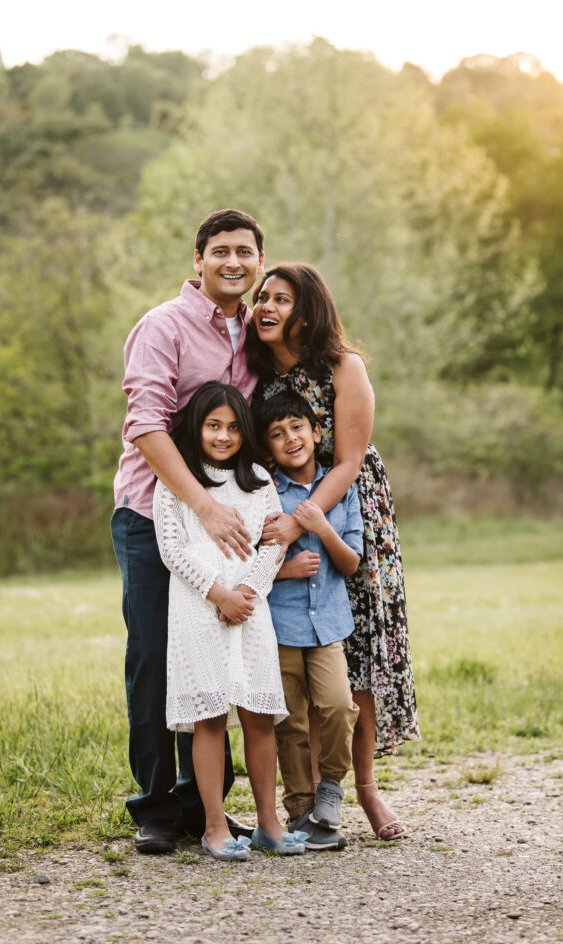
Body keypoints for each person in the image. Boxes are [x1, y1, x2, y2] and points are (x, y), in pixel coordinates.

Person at [248, 262, 421, 841]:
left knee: (361, 658)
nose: (266, 306)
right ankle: (306, 801)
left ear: (308, 309)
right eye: (261, 297)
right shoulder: (255, 373)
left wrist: (302, 525)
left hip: (348, 512)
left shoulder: (345, 366)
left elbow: (347, 462)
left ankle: (365, 790)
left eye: (281, 298)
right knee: (297, 670)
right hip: (279, 519)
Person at [111, 209, 265, 854]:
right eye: (221, 250)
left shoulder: (259, 337)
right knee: (154, 656)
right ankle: (154, 806)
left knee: (218, 660)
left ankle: (207, 808)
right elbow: (145, 425)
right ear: (198, 260)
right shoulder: (163, 326)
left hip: (231, 527)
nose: (233, 261)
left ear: (259, 262)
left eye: (245, 252)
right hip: (154, 518)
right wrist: (202, 505)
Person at [153, 382, 307, 860]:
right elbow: (172, 549)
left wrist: (247, 592)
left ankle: (268, 824)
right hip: (199, 611)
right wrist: (217, 592)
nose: (223, 436)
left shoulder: (259, 480)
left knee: (259, 716)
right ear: (196, 429)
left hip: (250, 609)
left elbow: (275, 543)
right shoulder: (177, 482)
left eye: (233, 427)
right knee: (210, 718)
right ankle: (215, 827)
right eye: (213, 426)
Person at [254, 390, 363, 850]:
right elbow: (250, 563)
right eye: (277, 434)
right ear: (268, 447)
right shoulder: (265, 495)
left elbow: (351, 562)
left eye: (298, 427)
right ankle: (299, 809)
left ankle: (332, 785)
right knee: (291, 720)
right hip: (280, 626)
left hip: (328, 627)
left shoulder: (340, 490)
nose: (290, 438)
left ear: (317, 431)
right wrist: (284, 570)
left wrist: (322, 528)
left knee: (338, 706)